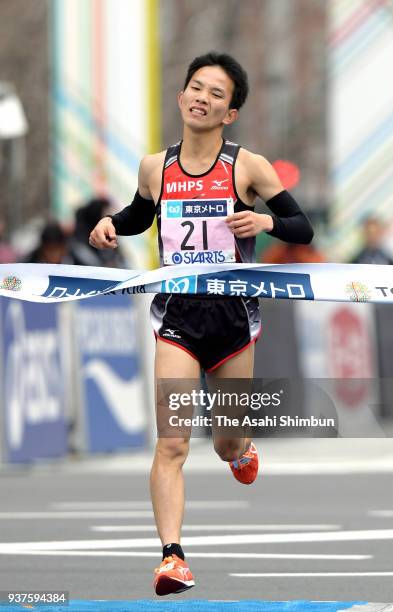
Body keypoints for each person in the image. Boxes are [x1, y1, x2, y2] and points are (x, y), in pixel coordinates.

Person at [89, 52, 313, 596]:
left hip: (233, 318)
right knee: (171, 445)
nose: (202, 98)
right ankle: (172, 558)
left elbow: (302, 228)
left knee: (226, 442)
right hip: (178, 318)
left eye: (216, 93)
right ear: (181, 96)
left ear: (229, 113)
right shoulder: (154, 167)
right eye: (195, 87)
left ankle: (241, 450)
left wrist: (265, 220)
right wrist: (109, 224)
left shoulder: (247, 167)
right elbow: (140, 215)